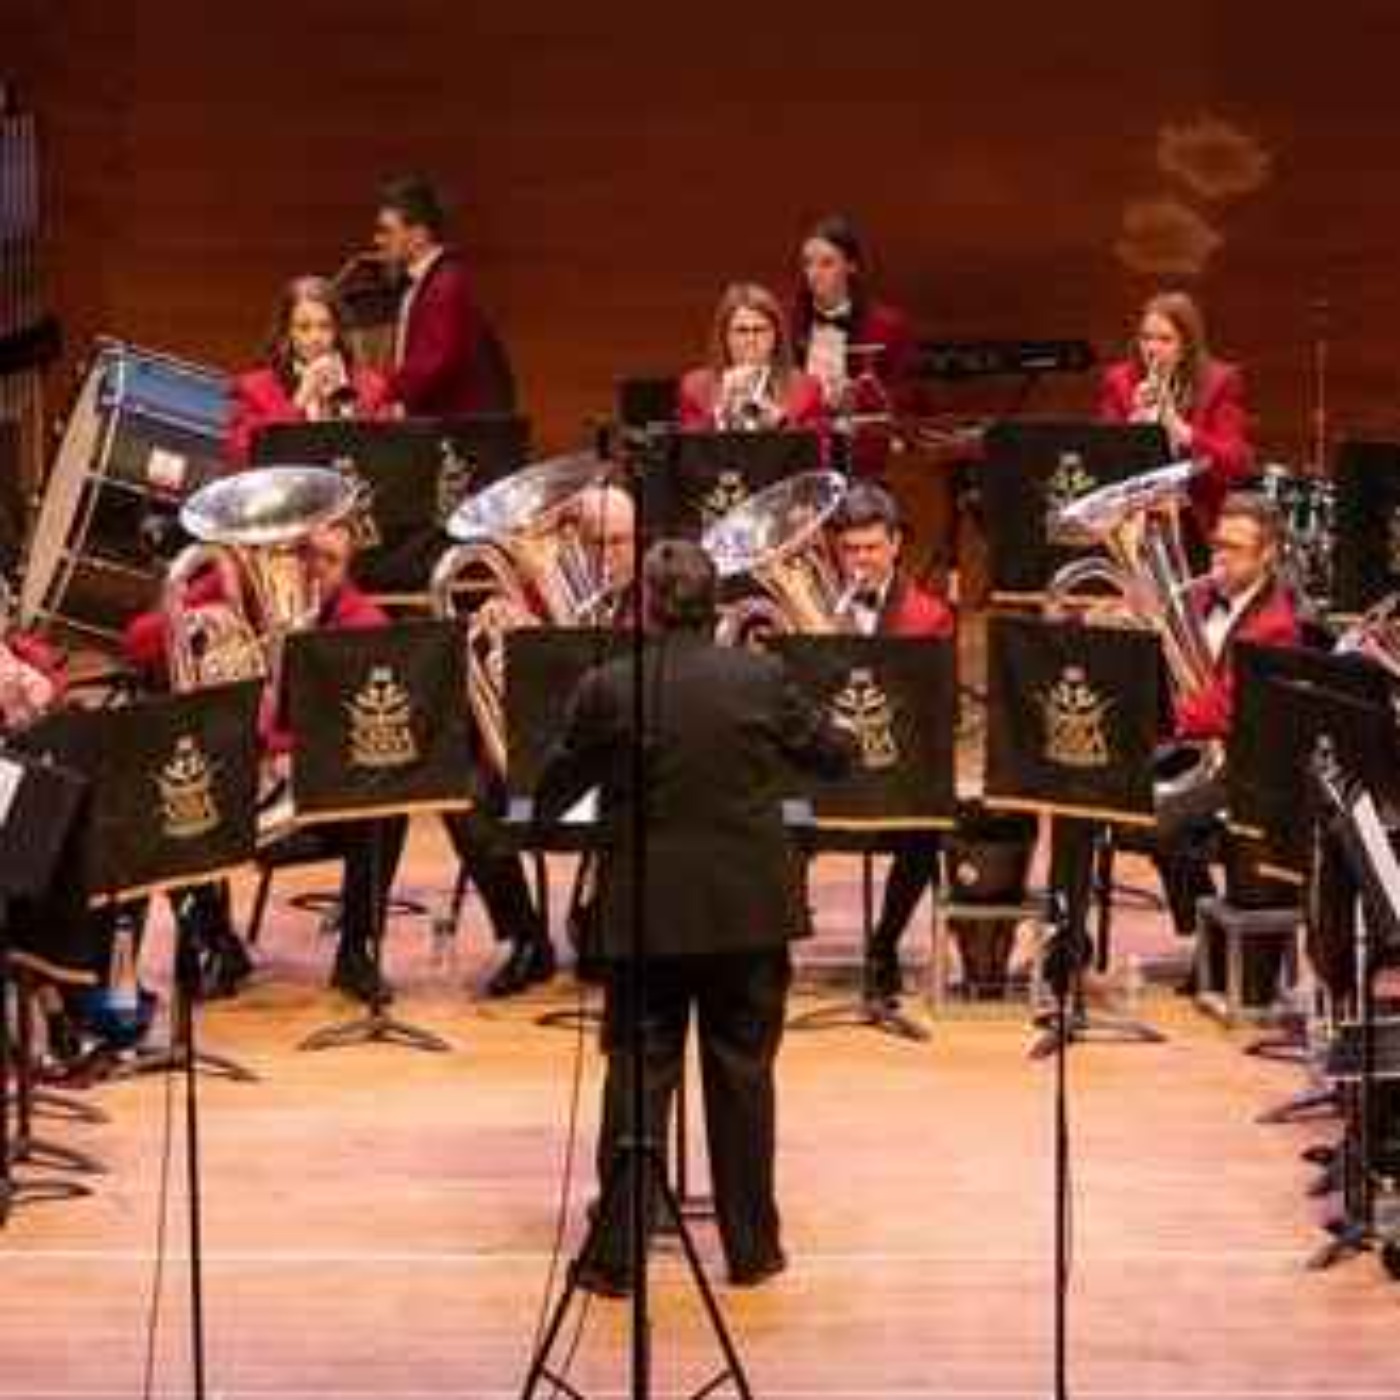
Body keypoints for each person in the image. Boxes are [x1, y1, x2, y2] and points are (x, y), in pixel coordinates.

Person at [535, 539, 852, 1293]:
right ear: (714, 605)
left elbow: (552, 794)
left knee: (639, 1079)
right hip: (749, 910)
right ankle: (752, 1249)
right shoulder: (763, 677)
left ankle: (616, 1257)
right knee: (744, 1077)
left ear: (644, 604)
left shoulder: (610, 688)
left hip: (647, 915)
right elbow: (835, 756)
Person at [1154, 493, 1301, 994]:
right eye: (1218, 545)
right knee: (1110, 797)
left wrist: (1158, 717)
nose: (1219, 558)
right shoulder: (1201, 599)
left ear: (1267, 555)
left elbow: (1227, 709)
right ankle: (1205, 936)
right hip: (1198, 751)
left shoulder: (1276, 624)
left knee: (1159, 826)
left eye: (1235, 550)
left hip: (1247, 771)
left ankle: (1210, 941)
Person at [259, 518, 408, 1004]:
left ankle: (355, 952)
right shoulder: (247, 608)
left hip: (320, 792)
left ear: (348, 570)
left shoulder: (365, 625)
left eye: (330, 560)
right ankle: (213, 942)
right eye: (307, 555)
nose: (315, 569)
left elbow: (363, 730)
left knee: (386, 813)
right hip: (248, 783)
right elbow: (139, 640)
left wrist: (294, 752)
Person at [828, 483, 955, 1000]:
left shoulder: (930, 615)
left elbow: (938, 710)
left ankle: (883, 944)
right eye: (851, 550)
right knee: (774, 816)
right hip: (829, 773)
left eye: (872, 548)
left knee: (926, 831)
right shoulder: (818, 606)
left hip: (894, 772)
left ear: (896, 544)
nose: (861, 561)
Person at [1097, 291, 1253, 535]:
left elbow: (1235, 464)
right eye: (1146, 338)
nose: (1152, 349)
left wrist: (1180, 430)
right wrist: (1132, 428)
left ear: (1186, 346)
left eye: (1165, 340)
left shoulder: (1220, 382)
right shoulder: (1120, 381)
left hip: (1196, 519)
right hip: (1133, 521)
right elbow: (1102, 463)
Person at [791, 215, 918, 479]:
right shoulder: (788, 322)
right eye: (807, 264)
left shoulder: (888, 326)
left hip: (863, 458)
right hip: (799, 459)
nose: (813, 273)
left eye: (826, 263)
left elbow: (903, 396)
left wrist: (855, 400)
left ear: (851, 266)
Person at [373, 175, 508, 416]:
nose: (378, 240)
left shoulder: (444, 285)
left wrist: (380, 398)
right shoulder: (430, 281)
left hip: (457, 430)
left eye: (386, 231)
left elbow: (431, 363)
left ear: (419, 235)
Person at [226, 275, 392, 465]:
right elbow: (242, 455)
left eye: (325, 326)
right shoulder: (253, 388)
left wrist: (348, 408)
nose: (316, 338)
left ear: (338, 331)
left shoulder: (373, 386)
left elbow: (385, 453)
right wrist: (299, 400)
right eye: (304, 328)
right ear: (287, 333)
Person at [678, 283, 826, 436]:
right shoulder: (694, 387)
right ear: (725, 336)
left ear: (776, 336)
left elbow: (819, 454)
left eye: (760, 330)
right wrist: (722, 414)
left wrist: (779, 422)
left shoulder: (806, 388)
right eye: (741, 331)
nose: (751, 340)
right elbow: (690, 451)